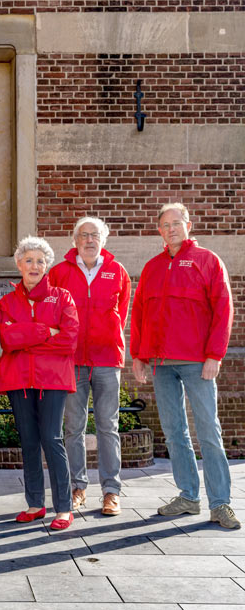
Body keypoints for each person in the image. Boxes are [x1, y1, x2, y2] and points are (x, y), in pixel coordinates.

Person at [131, 202, 240, 530]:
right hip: (162, 363)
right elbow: (139, 314)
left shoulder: (208, 261)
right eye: (166, 225)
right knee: (175, 432)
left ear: (188, 225)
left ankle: (220, 503)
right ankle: (189, 496)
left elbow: (223, 308)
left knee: (209, 431)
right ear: (159, 231)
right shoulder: (152, 267)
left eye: (177, 223)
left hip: (197, 362)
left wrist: (214, 355)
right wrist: (138, 355)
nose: (172, 229)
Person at [49, 217, 131, 516]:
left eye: (94, 235)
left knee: (109, 426)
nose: (89, 240)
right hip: (71, 362)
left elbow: (120, 316)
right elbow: (51, 313)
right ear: (75, 240)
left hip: (107, 359)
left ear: (103, 240)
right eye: (83, 235)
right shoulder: (58, 272)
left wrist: (107, 338)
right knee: (73, 428)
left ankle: (111, 491)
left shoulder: (117, 271)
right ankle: (77, 487)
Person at [0, 236, 79, 530]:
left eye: (40, 261)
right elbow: (7, 340)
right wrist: (46, 331)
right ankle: (34, 503)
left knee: (52, 439)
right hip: (18, 379)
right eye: (28, 260)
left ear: (47, 266)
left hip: (53, 380)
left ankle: (64, 507)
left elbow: (69, 341)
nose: (34, 266)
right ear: (19, 264)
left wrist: (26, 335)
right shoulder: (6, 302)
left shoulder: (63, 297)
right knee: (29, 441)